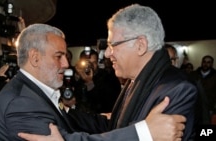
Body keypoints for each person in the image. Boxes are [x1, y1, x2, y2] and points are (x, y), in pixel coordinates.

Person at [17, 4, 195, 141]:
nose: (108, 54)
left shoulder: (176, 90)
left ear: (140, 45)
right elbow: (114, 126)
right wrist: (63, 112)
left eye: (113, 45)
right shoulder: (137, 80)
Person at [73, 48, 121, 114]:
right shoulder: (76, 79)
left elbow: (105, 104)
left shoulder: (108, 77)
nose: (91, 66)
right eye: (87, 63)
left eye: (94, 63)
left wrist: (89, 83)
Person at [190, 55, 216, 120]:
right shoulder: (193, 74)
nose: (205, 64)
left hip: (209, 107)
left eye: (208, 62)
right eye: (204, 62)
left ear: (212, 64)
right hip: (194, 106)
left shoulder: (215, 76)